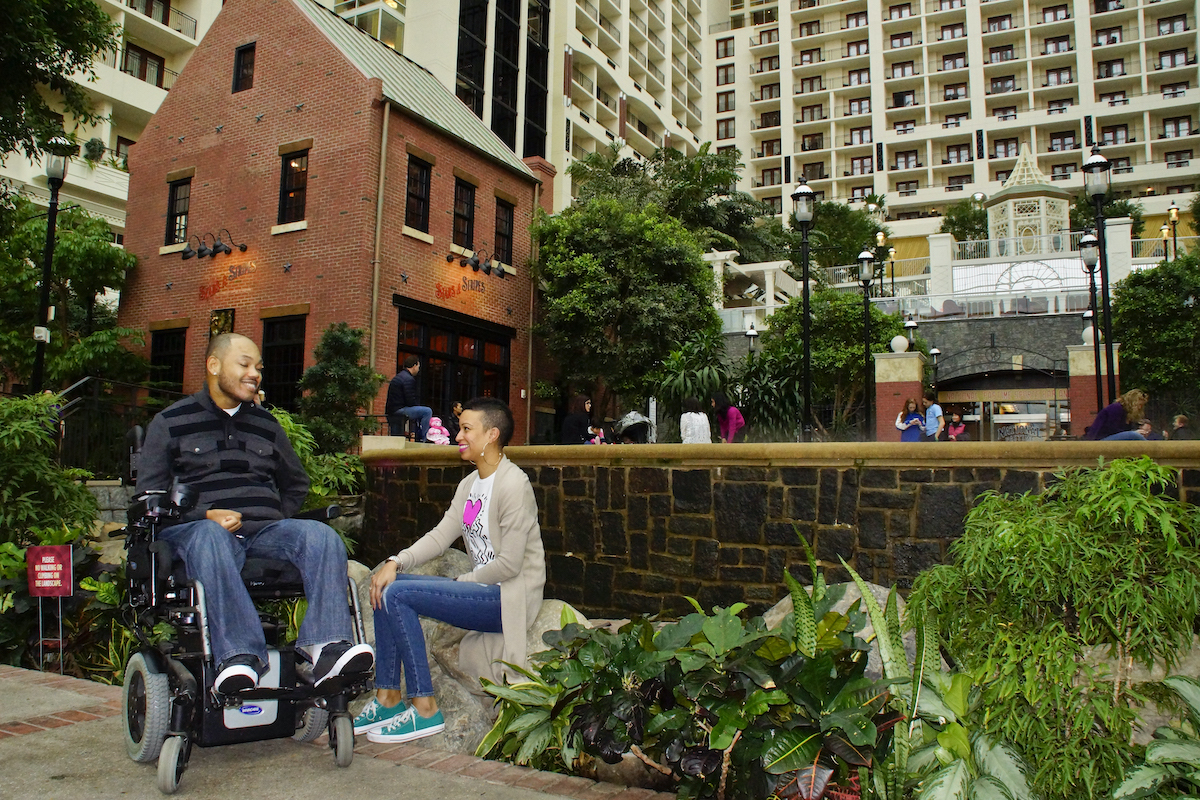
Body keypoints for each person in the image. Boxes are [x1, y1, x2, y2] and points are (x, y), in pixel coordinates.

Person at [138, 333, 373, 695]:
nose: (255, 374)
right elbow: (149, 498)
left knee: (320, 534)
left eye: (258, 367)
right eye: (244, 364)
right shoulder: (170, 422)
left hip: (263, 535)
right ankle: (239, 655)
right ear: (214, 365)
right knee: (210, 536)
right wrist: (204, 515)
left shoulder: (266, 425)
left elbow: (296, 484)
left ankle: (325, 647)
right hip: (194, 534)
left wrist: (274, 516)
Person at [356, 398, 544, 744]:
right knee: (387, 585)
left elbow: (511, 564)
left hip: (507, 597)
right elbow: (441, 536)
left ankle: (425, 707)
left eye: (466, 429)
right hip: (481, 593)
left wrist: (462, 581)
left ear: (491, 435)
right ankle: (387, 696)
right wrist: (396, 561)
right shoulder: (470, 484)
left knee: (398, 593)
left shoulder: (513, 485)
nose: (458, 435)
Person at [385, 356, 432, 441]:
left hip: (392, 411)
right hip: (400, 410)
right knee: (427, 411)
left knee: (396, 438)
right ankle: (426, 439)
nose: (418, 369)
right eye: (418, 367)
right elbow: (410, 400)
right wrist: (416, 407)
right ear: (414, 366)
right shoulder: (408, 379)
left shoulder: (399, 377)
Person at [1084, 389, 1148, 440]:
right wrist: (1134, 433)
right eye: (1139, 405)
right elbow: (1111, 429)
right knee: (1134, 435)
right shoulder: (1116, 408)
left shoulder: (1127, 413)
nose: (1140, 408)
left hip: (1110, 438)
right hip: (1100, 440)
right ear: (1133, 403)